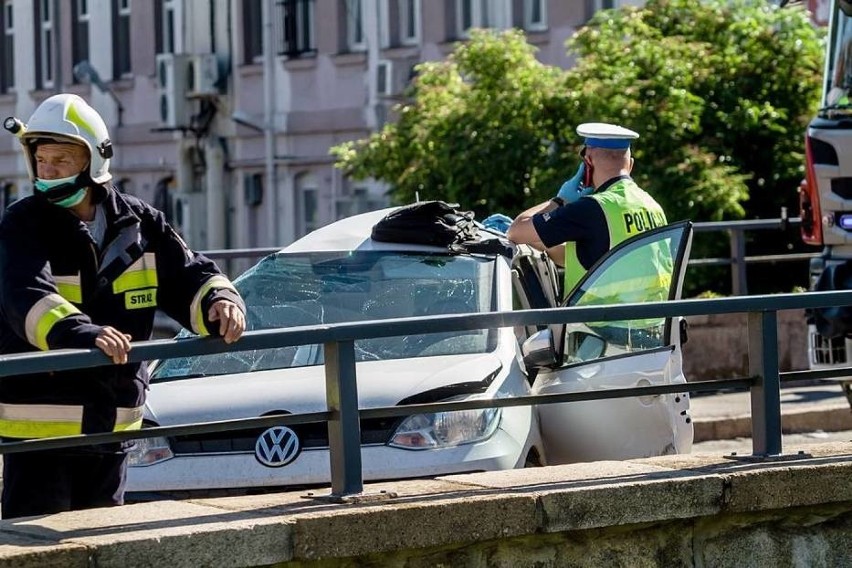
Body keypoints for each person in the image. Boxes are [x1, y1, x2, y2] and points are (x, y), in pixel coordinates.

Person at [0, 93, 247, 519]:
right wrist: (84, 333)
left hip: (113, 420)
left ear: (93, 160)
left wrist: (218, 301)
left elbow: (189, 272)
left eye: (60, 159)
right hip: (40, 428)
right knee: (35, 550)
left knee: (104, 541)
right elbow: (24, 296)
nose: (47, 171)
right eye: (41, 160)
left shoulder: (139, 222)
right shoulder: (22, 223)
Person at [507, 122, 670, 350]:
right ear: (630, 165)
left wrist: (560, 200)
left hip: (601, 341)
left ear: (588, 163)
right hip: (654, 336)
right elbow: (583, 258)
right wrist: (545, 241)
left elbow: (516, 230)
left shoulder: (592, 208)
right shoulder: (651, 205)